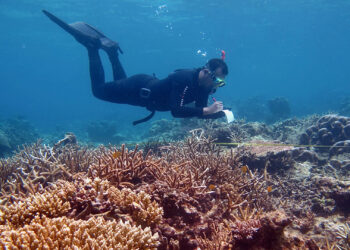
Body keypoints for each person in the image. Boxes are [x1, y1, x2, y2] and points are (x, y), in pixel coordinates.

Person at [43, 10, 229, 125]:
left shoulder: (203, 86)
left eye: (220, 82)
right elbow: (176, 110)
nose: (216, 84)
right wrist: (207, 110)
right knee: (98, 91)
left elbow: (200, 111)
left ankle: (112, 52)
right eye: (215, 78)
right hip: (137, 88)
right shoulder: (185, 80)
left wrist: (220, 114)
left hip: (142, 90)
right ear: (205, 71)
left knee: (116, 83)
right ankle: (92, 48)